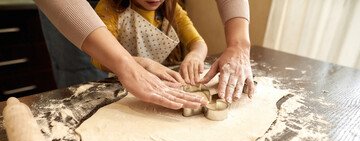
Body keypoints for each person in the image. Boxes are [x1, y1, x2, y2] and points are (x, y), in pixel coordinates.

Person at [33, 0, 252, 108]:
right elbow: (98, 61)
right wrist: (127, 64)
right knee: (84, 92)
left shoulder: (171, 9)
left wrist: (239, 43)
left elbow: (197, 42)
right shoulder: (109, 10)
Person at [91, 0, 208, 86]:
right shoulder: (109, 8)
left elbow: (197, 42)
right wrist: (143, 64)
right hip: (122, 82)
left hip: (158, 80)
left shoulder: (171, 6)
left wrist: (196, 55)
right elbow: (98, 57)